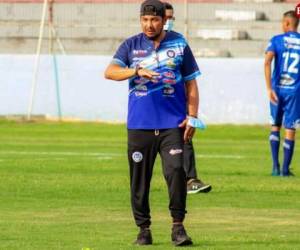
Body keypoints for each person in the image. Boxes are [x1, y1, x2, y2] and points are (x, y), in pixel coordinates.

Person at [104, 0, 201, 246]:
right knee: (139, 180)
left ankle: (178, 227)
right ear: (140, 20)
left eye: (154, 20)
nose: (149, 25)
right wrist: (135, 71)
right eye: (145, 20)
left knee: (177, 171)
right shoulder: (131, 45)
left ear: (163, 20)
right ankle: (143, 229)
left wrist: (193, 116)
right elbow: (110, 71)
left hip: (172, 124)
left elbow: (191, 82)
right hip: (140, 125)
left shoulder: (179, 44)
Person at [163, 2, 212, 194]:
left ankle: (190, 179)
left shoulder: (179, 42)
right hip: (153, 107)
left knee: (185, 138)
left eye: (171, 18)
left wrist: (192, 112)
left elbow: (190, 78)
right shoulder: (144, 45)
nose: (169, 22)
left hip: (176, 102)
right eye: (165, 17)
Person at [265, 10, 300, 177]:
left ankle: (275, 167)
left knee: (275, 125)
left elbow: (267, 61)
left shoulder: (276, 40)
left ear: (286, 23)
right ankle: (285, 170)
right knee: (290, 128)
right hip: (295, 91)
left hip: (277, 89)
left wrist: (269, 88)